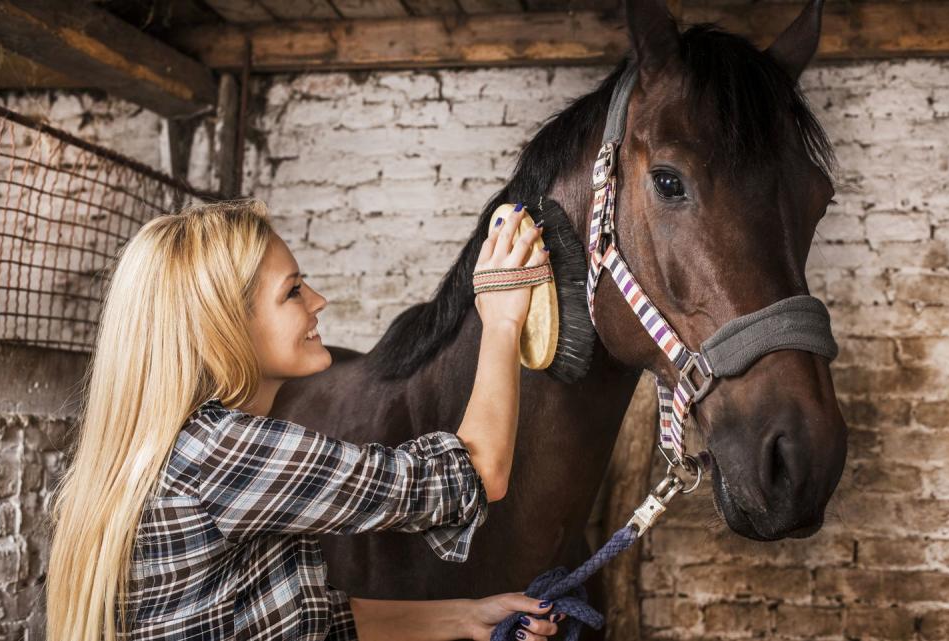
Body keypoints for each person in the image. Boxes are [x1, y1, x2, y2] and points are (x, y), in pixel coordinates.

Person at [46, 200, 562, 641]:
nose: (318, 301)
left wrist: (470, 617)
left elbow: (309, 618)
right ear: (225, 323)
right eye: (293, 291)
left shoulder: (180, 449)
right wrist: (501, 318)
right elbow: (472, 475)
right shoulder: (224, 452)